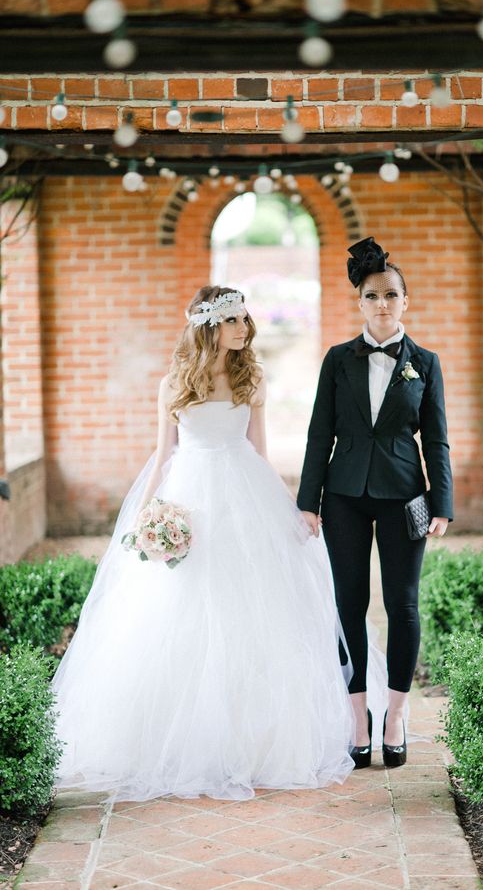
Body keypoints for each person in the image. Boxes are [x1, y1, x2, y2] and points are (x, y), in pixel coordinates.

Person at [51, 286, 359, 802]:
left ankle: (254, 742)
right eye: (234, 320)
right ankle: (181, 741)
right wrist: (146, 516)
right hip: (189, 498)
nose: (244, 328)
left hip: (244, 497)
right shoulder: (175, 382)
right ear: (210, 326)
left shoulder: (252, 377)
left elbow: (260, 453)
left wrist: (292, 509)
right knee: (182, 610)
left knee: (248, 611)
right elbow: (162, 454)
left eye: (245, 319)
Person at [297, 237, 453, 769]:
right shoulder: (337, 359)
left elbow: (437, 439)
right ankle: (357, 712)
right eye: (371, 295)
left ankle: (395, 715)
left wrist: (442, 502)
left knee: (403, 604)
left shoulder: (426, 364)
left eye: (390, 295)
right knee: (348, 604)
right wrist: (307, 500)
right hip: (342, 496)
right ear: (359, 302)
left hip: (405, 495)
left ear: (405, 301)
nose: (381, 304)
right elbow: (320, 433)